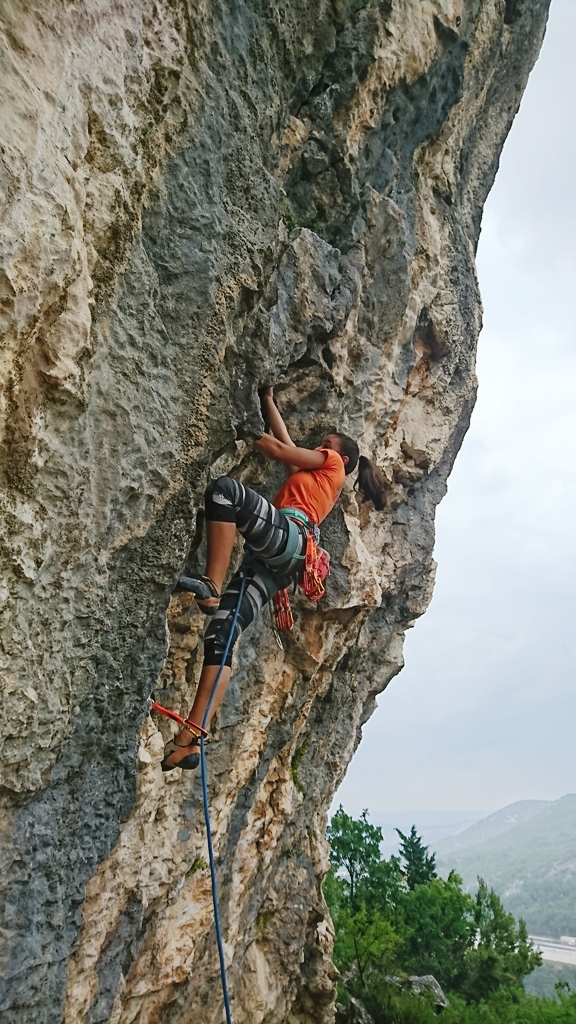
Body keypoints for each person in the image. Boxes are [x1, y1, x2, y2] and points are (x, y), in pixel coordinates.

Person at [161, 387, 388, 770]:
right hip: (280, 563)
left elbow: (281, 451)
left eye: (325, 444)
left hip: (289, 539)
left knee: (225, 492)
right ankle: (192, 737)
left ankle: (212, 586)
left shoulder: (332, 462)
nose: (319, 446)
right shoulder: (313, 479)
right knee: (221, 635)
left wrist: (243, 426)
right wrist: (266, 400)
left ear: (340, 456)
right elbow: (286, 445)